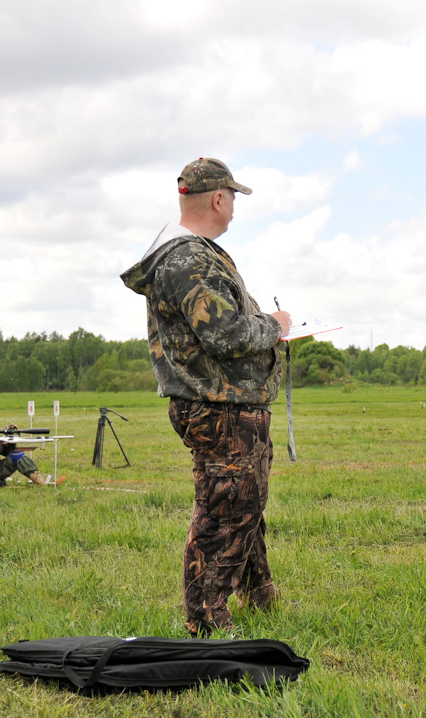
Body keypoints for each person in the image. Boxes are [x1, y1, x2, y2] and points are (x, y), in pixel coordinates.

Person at [120, 157, 292, 637]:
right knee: (225, 511)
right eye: (233, 197)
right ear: (218, 198)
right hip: (219, 409)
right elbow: (227, 335)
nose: (234, 207)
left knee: (245, 503)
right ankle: (206, 621)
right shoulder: (190, 259)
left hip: (229, 406)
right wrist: (275, 327)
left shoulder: (195, 254)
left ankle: (259, 593)